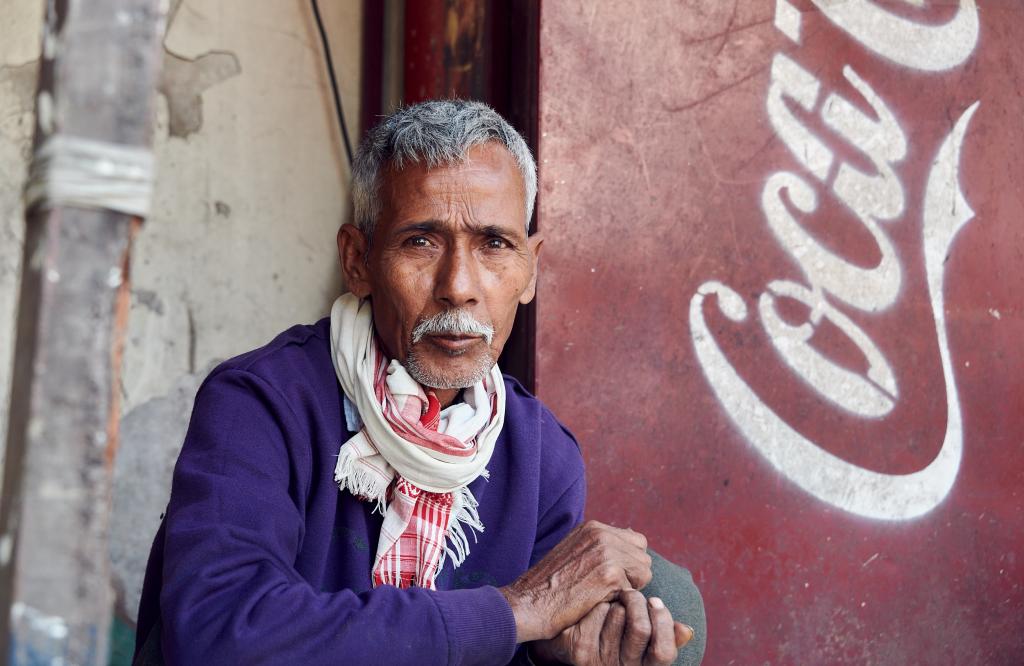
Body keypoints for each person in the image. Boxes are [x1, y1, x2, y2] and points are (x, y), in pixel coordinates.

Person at [134, 100, 705, 665]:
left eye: (494, 245)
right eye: (420, 241)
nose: (458, 286)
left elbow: (537, 637)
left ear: (529, 270)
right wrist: (515, 612)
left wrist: (561, 652)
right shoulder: (261, 404)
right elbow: (218, 633)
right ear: (358, 260)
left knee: (671, 608)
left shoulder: (541, 456)